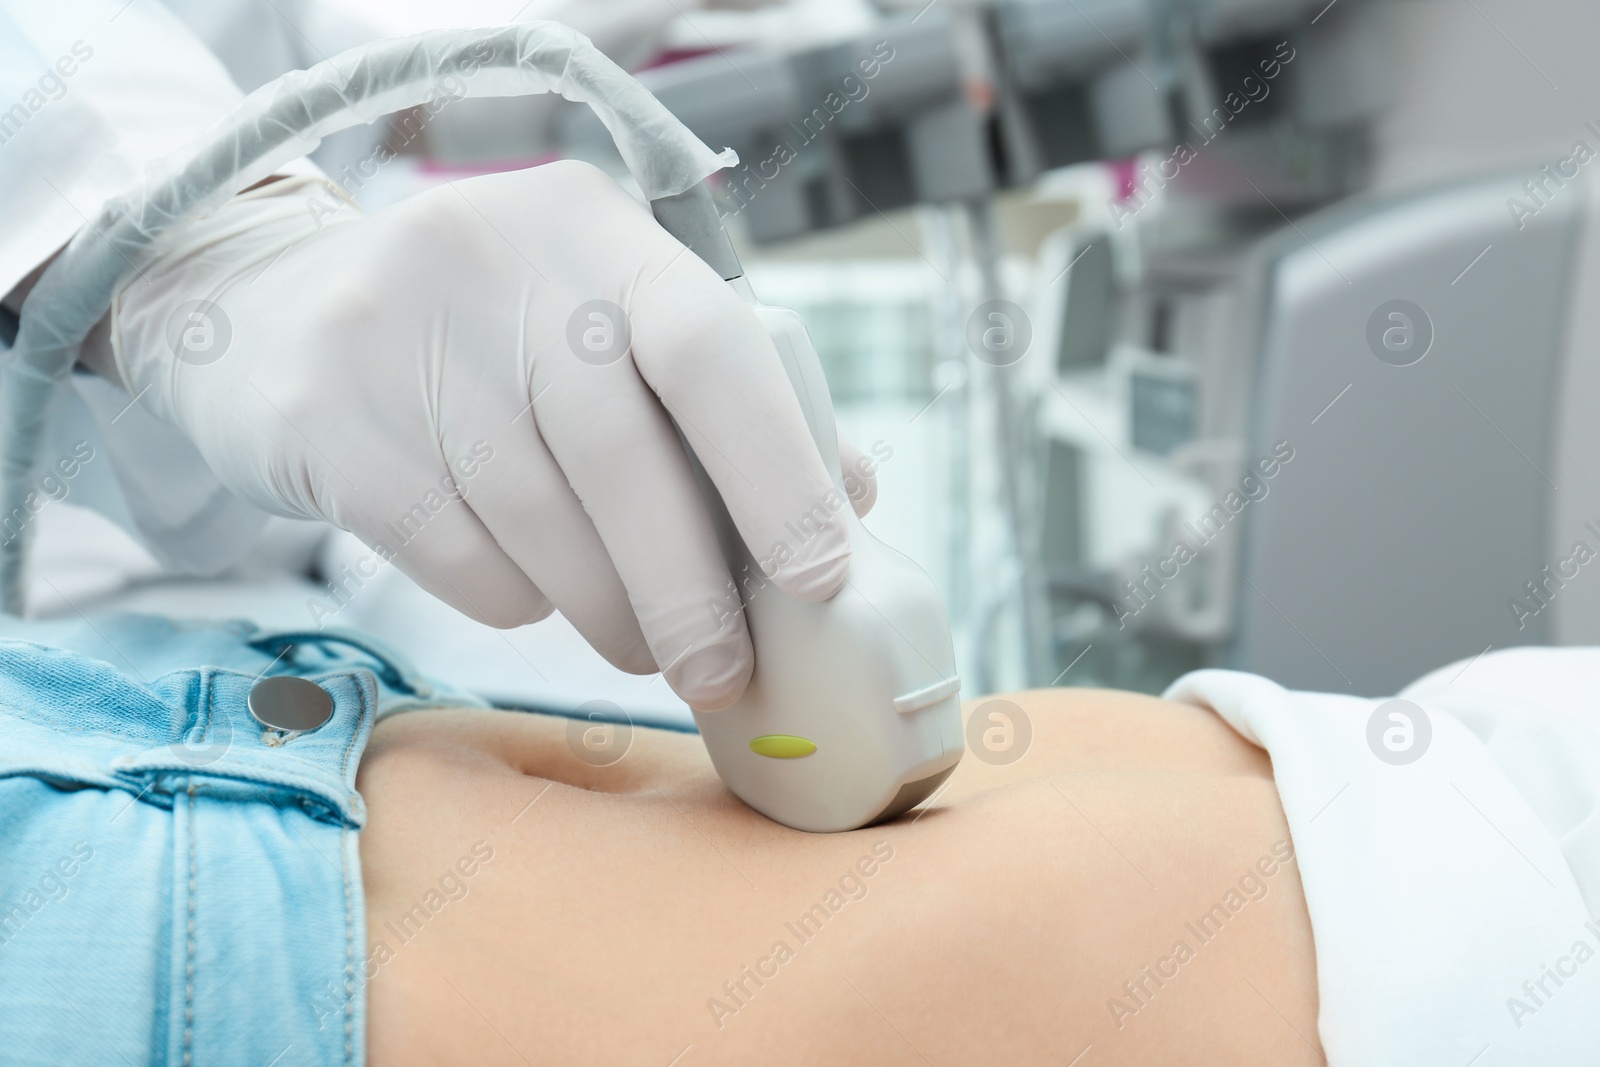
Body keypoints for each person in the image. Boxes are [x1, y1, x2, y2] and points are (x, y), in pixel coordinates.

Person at [1, 0, 851, 712]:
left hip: (338, 535)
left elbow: (351, 64)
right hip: (72, 584)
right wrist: (195, 257)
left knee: (629, 659)